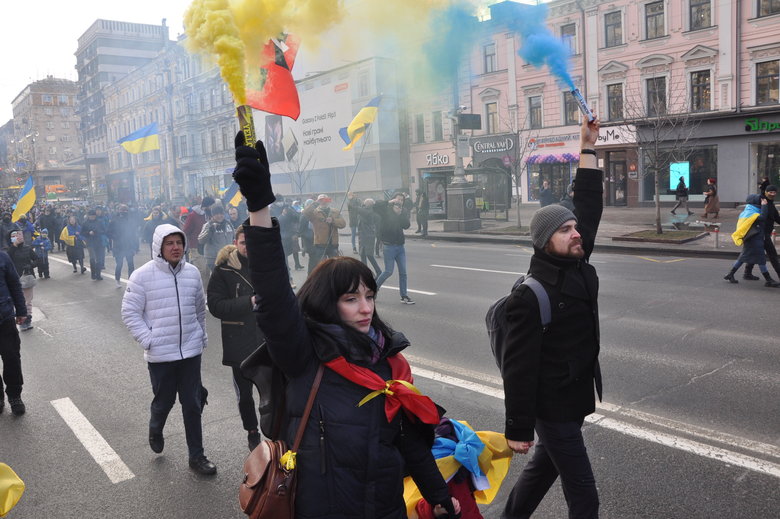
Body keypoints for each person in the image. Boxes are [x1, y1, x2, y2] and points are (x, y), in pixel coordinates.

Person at [231, 132, 461, 519]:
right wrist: (259, 206)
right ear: (327, 302)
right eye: (351, 299)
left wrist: (438, 496)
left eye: (369, 296)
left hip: (384, 507)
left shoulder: (390, 366)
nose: (365, 307)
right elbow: (274, 296)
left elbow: (408, 443)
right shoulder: (306, 354)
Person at [500, 117, 603, 519]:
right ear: (546, 242)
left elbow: (590, 203)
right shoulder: (530, 295)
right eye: (566, 230)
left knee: (542, 472)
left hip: (574, 396)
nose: (577, 233)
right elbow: (518, 367)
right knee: (585, 497)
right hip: (553, 405)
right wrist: (518, 427)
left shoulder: (576, 262)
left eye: (575, 227)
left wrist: (587, 146)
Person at [121, 224, 216, 475]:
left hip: (190, 352)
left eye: (179, 243)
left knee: (193, 403)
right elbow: (130, 312)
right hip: (161, 354)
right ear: (159, 247)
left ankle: (197, 457)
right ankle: (156, 426)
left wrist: (201, 336)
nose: (176, 248)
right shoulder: (142, 276)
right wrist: (148, 339)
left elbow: (199, 309)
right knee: (164, 401)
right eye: (170, 243)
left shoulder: (193, 273)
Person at [206, 227, 264, 452]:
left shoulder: (267, 266)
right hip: (239, 340)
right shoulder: (223, 271)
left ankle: (276, 430)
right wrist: (249, 302)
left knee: (273, 392)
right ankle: (252, 431)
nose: (248, 246)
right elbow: (216, 306)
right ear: (236, 243)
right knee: (245, 394)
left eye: (252, 242)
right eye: (243, 242)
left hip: (267, 339)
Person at [725, 195, 780, 287]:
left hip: (753, 238)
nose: (761, 201)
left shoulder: (750, 210)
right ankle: (768, 279)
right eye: (760, 200)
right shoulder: (751, 213)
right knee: (761, 259)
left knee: (743, 257)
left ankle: (730, 274)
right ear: (755, 202)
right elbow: (762, 217)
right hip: (754, 239)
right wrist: (764, 205)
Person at [0, 249, 27, 415]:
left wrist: (21, 310)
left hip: (4, 318)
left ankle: (14, 395)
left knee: (11, 358)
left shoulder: (2, 257)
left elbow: (14, 284)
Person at [375, 193, 415, 304]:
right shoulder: (386, 210)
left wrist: (400, 214)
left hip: (400, 246)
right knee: (388, 271)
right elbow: (376, 206)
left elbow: (406, 225)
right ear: (393, 200)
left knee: (403, 273)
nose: (399, 202)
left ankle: (404, 295)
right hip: (389, 246)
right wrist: (389, 202)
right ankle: (374, 290)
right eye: (397, 200)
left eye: (401, 200)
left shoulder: (403, 211)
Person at [302, 194, 346, 274]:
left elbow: (343, 224)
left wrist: (333, 220)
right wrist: (315, 203)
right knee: (322, 267)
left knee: (335, 266)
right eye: (321, 200)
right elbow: (305, 213)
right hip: (320, 244)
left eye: (325, 200)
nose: (323, 202)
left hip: (333, 243)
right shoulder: (314, 212)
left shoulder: (335, 211)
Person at [743, 185, 780, 281]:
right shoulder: (762, 203)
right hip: (761, 232)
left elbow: (776, 217)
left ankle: (747, 273)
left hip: (763, 232)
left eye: (774, 192)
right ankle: (772, 278)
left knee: (754, 252)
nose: (773, 194)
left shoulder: (770, 204)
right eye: (770, 192)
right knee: (772, 255)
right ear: (766, 192)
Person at [7, 231, 37, 332]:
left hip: (27, 278)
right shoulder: (9, 250)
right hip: (14, 280)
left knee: (27, 302)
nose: (18, 237)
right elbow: (6, 263)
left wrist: (31, 265)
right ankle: (21, 322)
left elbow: (37, 260)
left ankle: (27, 321)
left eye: (19, 235)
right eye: (14, 236)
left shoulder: (28, 248)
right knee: (19, 302)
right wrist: (14, 246)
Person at [107, 204, 139, 288]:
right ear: (119, 211)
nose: (123, 212)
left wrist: (135, 247)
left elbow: (134, 234)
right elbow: (108, 233)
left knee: (131, 264)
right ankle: (117, 280)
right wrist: (115, 237)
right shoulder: (114, 220)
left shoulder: (130, 220)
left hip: (129, 245)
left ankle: (131, 280)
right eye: (122, 210)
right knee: (119, 264)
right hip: (118, 246)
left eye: (125, 210)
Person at [197, 203, 235, 272]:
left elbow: (234, 239)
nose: (219, 216)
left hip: (228, 258)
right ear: (212, 215)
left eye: (221, 213)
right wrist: (210, 230)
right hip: (213, 259)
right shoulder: (208, 225)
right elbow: (200, 240)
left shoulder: (228, 224)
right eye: (216, 214)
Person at [358, 198, 382, 277]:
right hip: (363, 236)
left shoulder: (371, 213)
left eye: (365, 204)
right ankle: (365, 272)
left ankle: (378, 271)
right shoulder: (364, 211)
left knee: (369, 254)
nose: (364, 205)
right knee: (362, 254)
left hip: (369, 236)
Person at [81, 209, 107, 281]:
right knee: (92, 258)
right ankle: (93, 274)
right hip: (90, 242)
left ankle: (98, 274)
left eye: (93, 216)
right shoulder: (85, 223)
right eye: (91, 216)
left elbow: (104, 230)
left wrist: (96, 232)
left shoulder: (99, 222)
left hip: (98, 242)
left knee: (99, 259)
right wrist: (88, 233)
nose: (92, 217)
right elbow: (82, 232)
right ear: (88, 216)